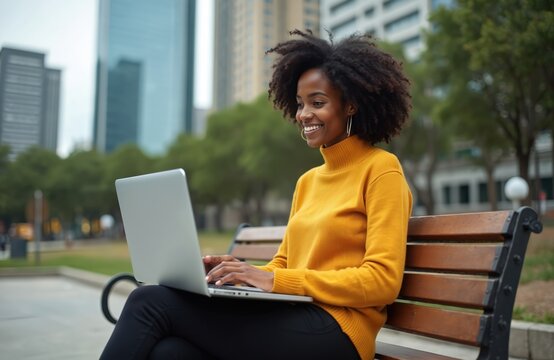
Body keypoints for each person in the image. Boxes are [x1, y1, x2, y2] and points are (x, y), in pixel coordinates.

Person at [100, 29, 412, 360]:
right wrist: (241, 271)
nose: (304, 115)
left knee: (148, 301)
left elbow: (382, 281)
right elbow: (284, 263)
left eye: (317, 103)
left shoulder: (381, 170)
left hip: (341, 332)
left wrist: (273, 279)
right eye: (300, 104)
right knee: (170, 352)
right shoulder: (308, 181)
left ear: (351, 105)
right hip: (294, 316)